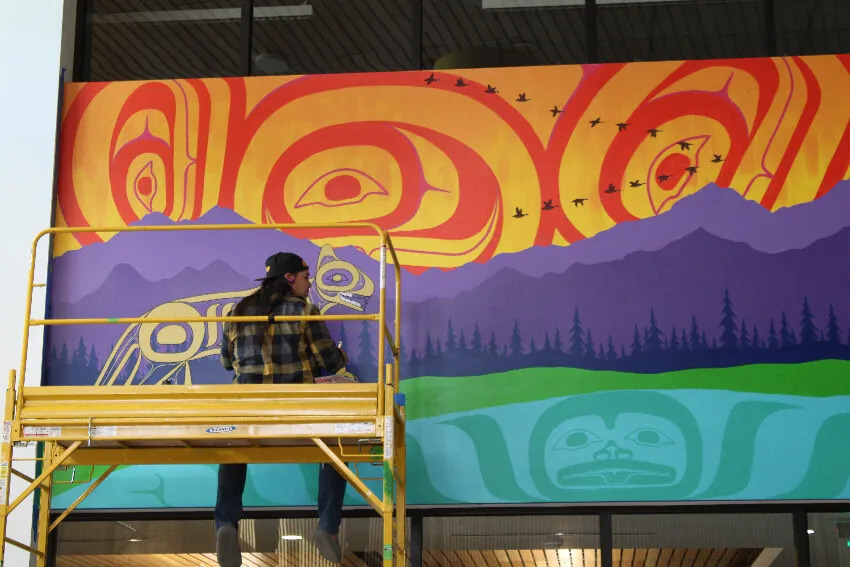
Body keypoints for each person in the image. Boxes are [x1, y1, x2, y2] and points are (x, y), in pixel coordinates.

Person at [215, 251, 349, 567]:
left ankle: (226, 524)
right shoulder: (304, 310)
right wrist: (338, 357)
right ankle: (327, 528)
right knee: (336, 448)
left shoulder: (239, 311)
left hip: (248, 413)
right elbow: (331, 362)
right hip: (295, 413)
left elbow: (225, 362)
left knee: (232, 449)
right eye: (306, 277)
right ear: (291, 278)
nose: (310, 284)